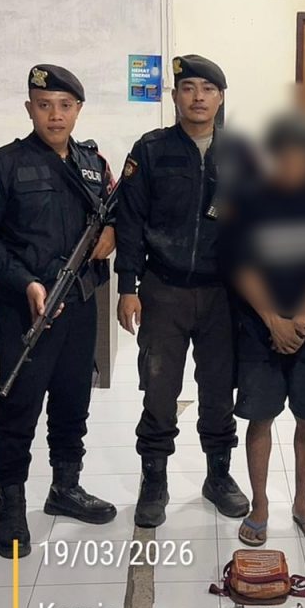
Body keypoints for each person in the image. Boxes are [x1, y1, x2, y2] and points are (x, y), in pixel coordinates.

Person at [0, 64, 117, 559]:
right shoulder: (1, 166)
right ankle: (10, 504)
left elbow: (114, 212)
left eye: (65, 105)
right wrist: (26, 282)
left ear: (78, 110)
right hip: (25, 309)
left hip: (80, 307)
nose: (55, 115)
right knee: (18, 408)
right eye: (45, 105)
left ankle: (65, 487)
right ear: (29, 108)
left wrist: (112, 232)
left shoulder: (93, 163)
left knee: (73, 402)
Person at [115, 54, 250, 528]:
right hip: (163, 290)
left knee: (219, 390)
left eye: (207, 89)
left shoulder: (241, 153)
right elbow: (130, 222)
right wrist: (127, 286)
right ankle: (154, 481)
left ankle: (219, 476)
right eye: (188, 88)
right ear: (175, 96)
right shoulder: (151, 150)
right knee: (159, 390)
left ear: (220, 98)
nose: (198, 97)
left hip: (222, 295)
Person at [224, 111, 305, 546]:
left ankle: (303, 503)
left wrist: (299, 321)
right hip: (259, 326)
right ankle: (259, 505)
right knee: (260, 418)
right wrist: (273, 320)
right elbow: (242, 266)